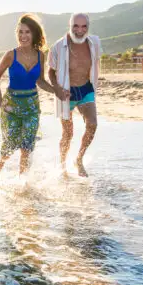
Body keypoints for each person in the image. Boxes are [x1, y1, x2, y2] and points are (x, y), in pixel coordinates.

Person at [0, 14, 59, 175]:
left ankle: (23, 181)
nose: (23, 36)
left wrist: (57, 91)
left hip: (31, 106)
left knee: (27, 146)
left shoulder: (40, 55)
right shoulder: (11, 55)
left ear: (34, 33)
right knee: (9, 145)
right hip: (11, 106)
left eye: (27, 32)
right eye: (20, 32)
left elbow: (40, 81)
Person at [48, 13, 101, 177]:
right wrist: (57, 88)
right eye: (75, 26)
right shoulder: (58, 46)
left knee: (92, 124)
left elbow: (96, 62)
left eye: (84, 26)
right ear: (70, 26)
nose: (80, 30)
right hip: (66, 93)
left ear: (88, 27)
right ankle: (63, 165)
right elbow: (50, 72)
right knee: (68, 133)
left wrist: (95, 78)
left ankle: (79, 159)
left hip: (86, 89)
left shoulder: (94, 42)